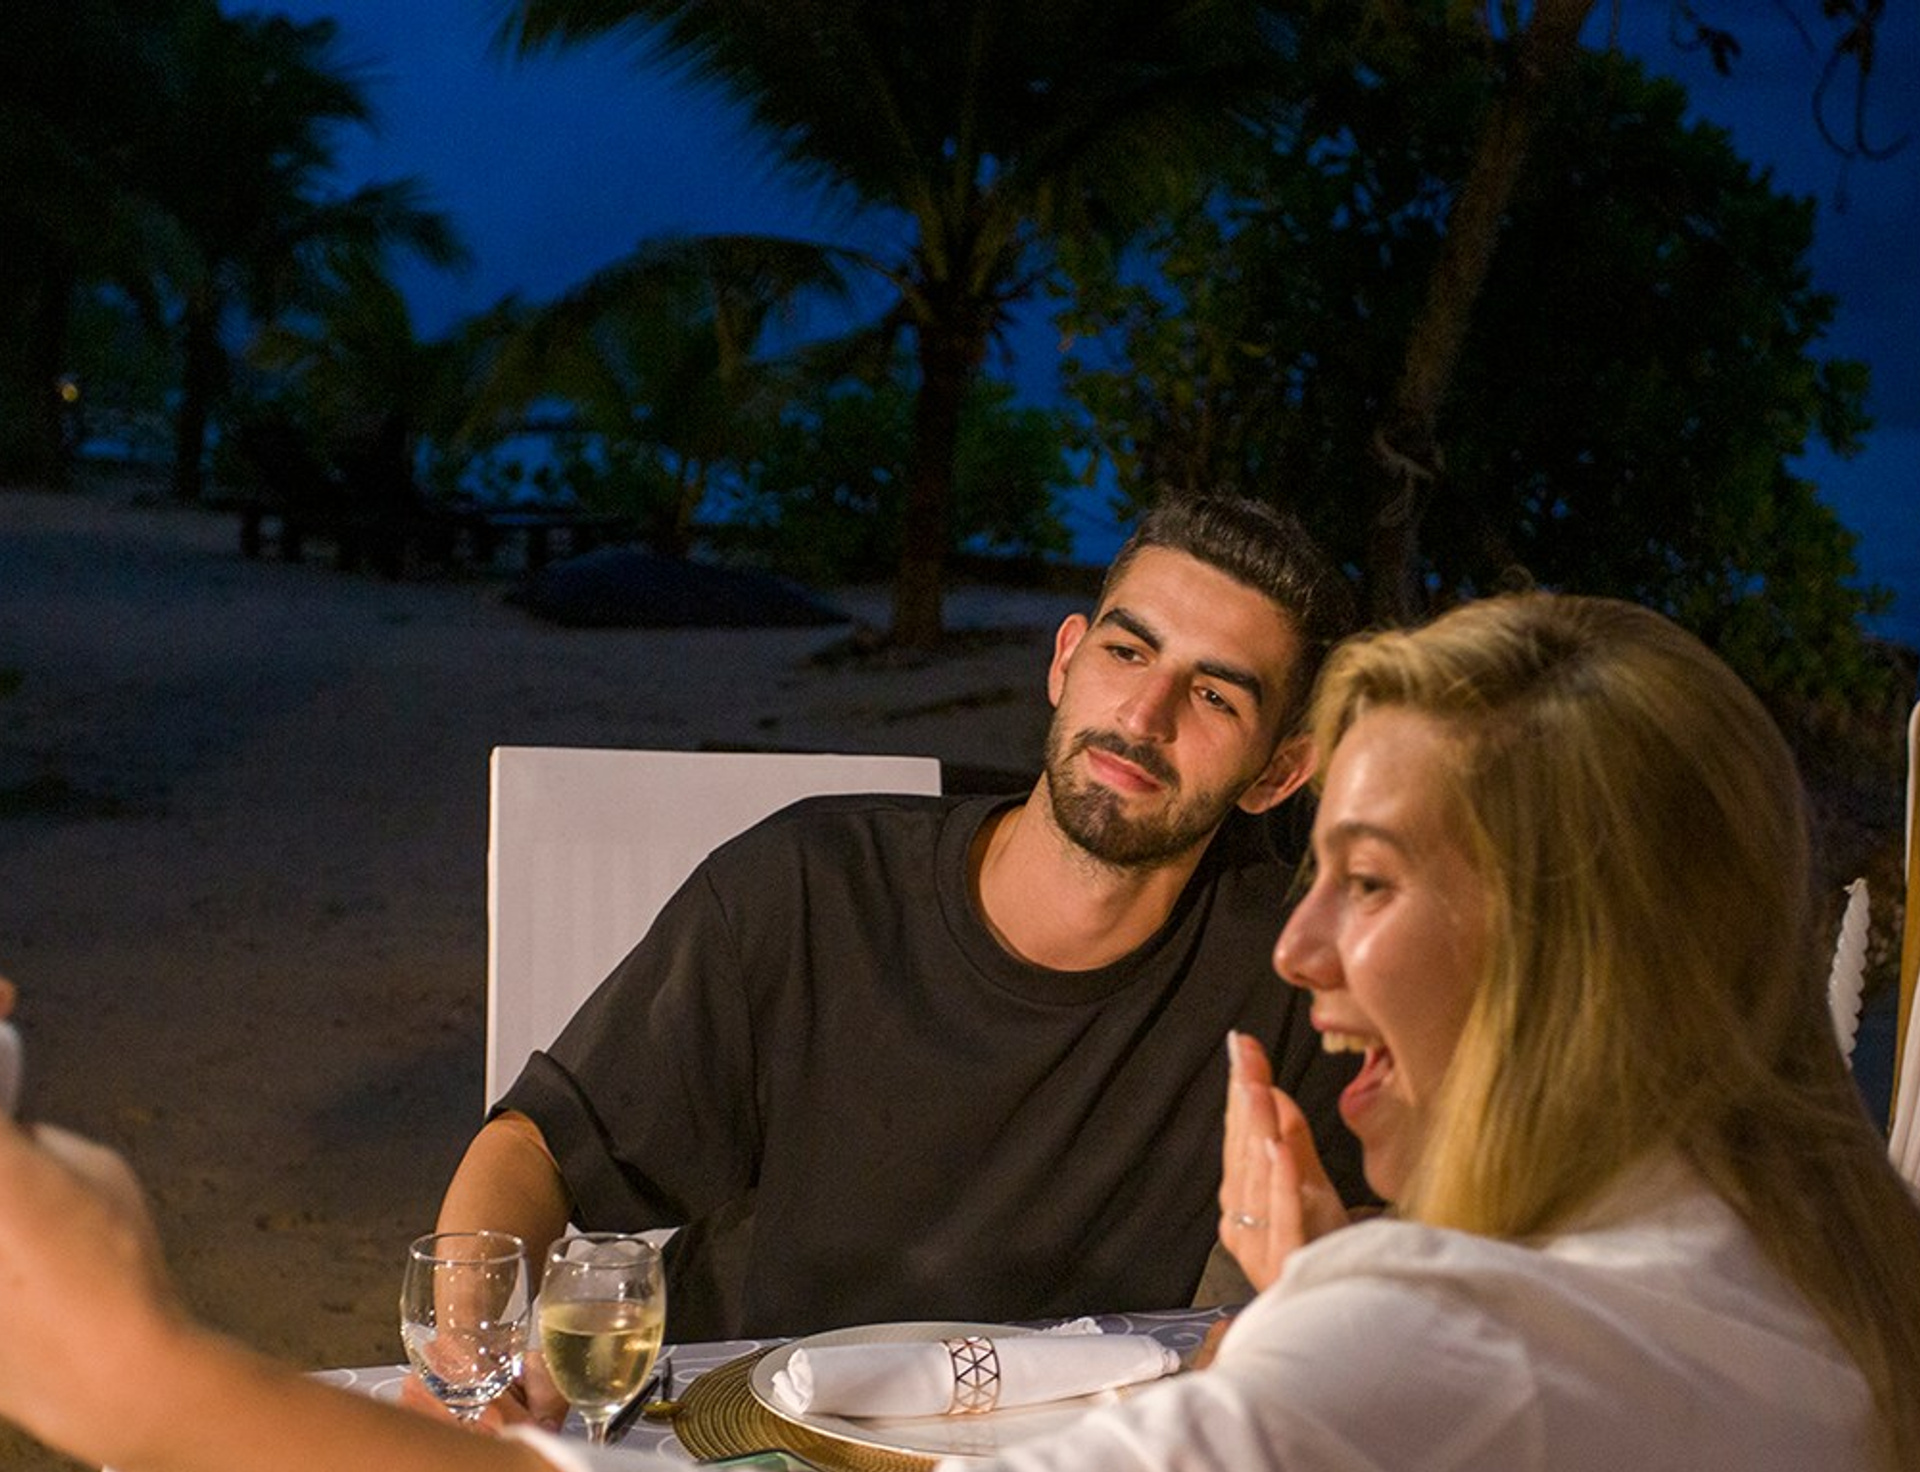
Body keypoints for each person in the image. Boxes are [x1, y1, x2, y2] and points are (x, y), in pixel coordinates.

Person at [5, 593, 1918, 1472]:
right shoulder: (1833, 1280)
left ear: (1576, 942)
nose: (1307, 949)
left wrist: (142, 1384)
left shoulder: (1482, 1360)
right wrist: (1340, 1313)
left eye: (1374, 878)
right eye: (1314, 871)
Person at [439, 491, 1369, 1346]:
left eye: (1214, 695)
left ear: (1279, 774)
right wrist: (475, 1358)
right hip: (733, 1436)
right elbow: (531, 1151)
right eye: (1128, 652)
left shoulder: (1290, 959)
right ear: (1065, 660)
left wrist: (1264, 1342)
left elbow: (1387, 1239)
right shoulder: (811, 887)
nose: (1145, 713)